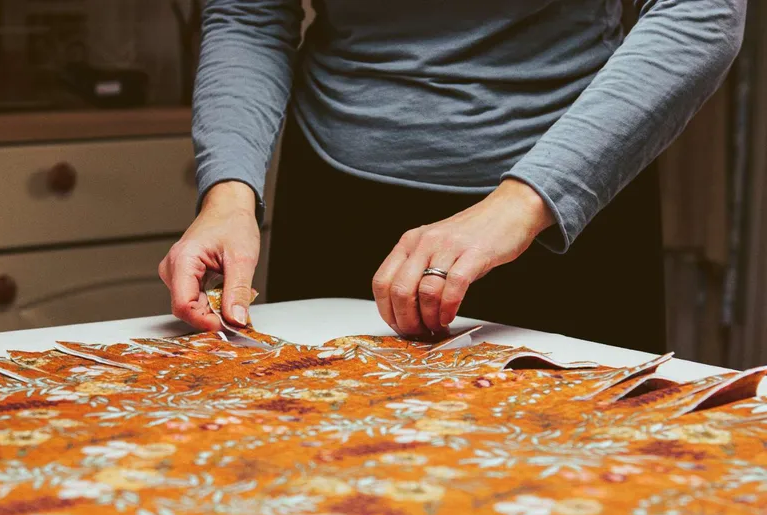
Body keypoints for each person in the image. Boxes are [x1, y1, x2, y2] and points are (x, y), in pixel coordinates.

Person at [159, 0, 747, 352]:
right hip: (336, 199)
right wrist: (230, 195)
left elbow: (700, 12)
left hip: (568, 188)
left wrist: (525, 203)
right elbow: (249, 15)